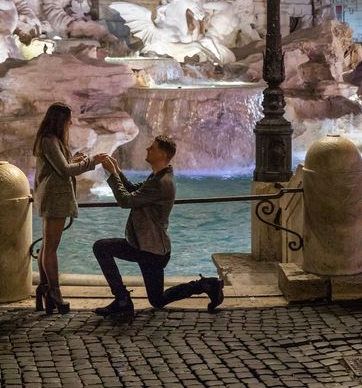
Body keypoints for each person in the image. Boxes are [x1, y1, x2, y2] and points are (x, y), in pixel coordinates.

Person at [93, 136, 224, 321]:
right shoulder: (157, 176)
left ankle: (122, 300)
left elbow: (126, 201)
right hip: (149, 247)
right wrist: (116, 170)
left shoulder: (161, 182)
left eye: (152, 148)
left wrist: (113, 174)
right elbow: (131, 189)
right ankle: (207, 285)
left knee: (101, 247)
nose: (147, 149)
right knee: (157, 299)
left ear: (162, 154)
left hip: (149, 249)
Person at [33, 103, 104, 315]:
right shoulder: (49, 140)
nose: (71, 123)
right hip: (55, 197)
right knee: (51, 248)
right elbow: (64, 170)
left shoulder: (49, 140)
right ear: (60, 120)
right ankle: (54, 292)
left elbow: (59, 165)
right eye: (68, 119)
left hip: (54, 196)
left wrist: (75, 159)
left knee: (47, 245)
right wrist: (92, 162)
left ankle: (45, 289)